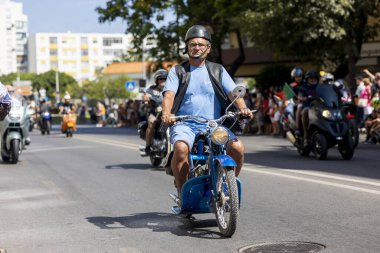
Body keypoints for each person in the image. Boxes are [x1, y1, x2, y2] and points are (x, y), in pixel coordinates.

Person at [161, 25, 253, 203]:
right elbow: (169, 95)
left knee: (237, 148)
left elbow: (234, 93)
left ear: (208, 48)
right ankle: (183, 194)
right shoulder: (178, 71)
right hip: (184, 123)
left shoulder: (217, 70)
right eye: (192, 44)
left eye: (201, 44)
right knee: (180, 149)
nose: (196, 47)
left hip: (214, 124)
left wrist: (243, 108)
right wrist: (166, 113)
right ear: (187, 47)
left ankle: (227, 186)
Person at [143, 69, 168, 154]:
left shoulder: (171, 89)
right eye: (160, 79)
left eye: (164, 79)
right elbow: (146, 96)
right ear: (157, 80)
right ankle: (148, 146)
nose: (162, 80)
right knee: (152, 122)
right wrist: (146, 99)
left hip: (168, 112)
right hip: (154, 112)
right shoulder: (152, 89)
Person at [295, 70, 320, 146]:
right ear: (307, 79)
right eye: (311, 78)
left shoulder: (320, 87)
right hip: (308, 106)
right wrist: (302, 98)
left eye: (315, 78)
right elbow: (300, 96)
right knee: (305, 111)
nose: (313, 80)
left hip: (320, 107)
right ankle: (306, 136)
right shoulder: (303, 87)